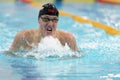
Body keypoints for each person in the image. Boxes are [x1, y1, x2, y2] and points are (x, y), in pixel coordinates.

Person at [9, 3, 78, 52]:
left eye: (54, 20)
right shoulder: (23, 37)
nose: (50, 24)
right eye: (46, 19)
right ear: (39, 20)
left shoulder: (68, 39)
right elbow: (10, 55)